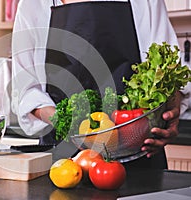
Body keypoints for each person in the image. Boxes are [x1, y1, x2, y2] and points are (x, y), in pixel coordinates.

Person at [11, 0, 188, 168]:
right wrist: (67, 123)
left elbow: (169, 69)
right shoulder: (33, 4)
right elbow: (26, 91)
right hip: (64, 162)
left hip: (139, 154)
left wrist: (171, 112)